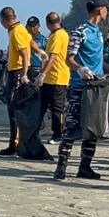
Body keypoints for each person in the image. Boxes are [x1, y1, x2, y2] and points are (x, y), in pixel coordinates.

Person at [53, 0, 109, 180]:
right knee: (71, 127)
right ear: (100, 10)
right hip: (80, 88)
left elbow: (97, 59)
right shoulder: (80, 32)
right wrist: (80, 69)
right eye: (106, 9)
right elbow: (69, 59)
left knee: (92, 129)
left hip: (97, 87)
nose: (107, 12)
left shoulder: (99, 33)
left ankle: (85, 167)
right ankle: (61, 167)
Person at [0, 7, 32, 155]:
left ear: (2, 20)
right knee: (12, 107)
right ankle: (15, 143)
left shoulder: (17, 31)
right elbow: (31, 44)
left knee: (14, 110)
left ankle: (15, 144)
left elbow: (24, 53)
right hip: (15, 71)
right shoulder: (20, 29)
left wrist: (24, 74)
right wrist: (41, 53)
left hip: (18, 73)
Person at [39, 12, 70, 143]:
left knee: (57, 109)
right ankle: (35, 130)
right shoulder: (57, 34)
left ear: (47, 24)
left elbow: (53, 57)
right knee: (41, 106)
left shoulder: (58, 35)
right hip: (50, 78)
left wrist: (43, 73)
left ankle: (57, 134)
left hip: (57, 77)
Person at [26, 16, 47, 82]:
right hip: (26, 69)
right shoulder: (24, 39)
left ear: (38, 26)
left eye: (34, 26)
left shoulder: (44, 40)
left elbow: (47, 57)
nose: (32, 28)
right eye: (30, 26)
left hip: (38, 69)